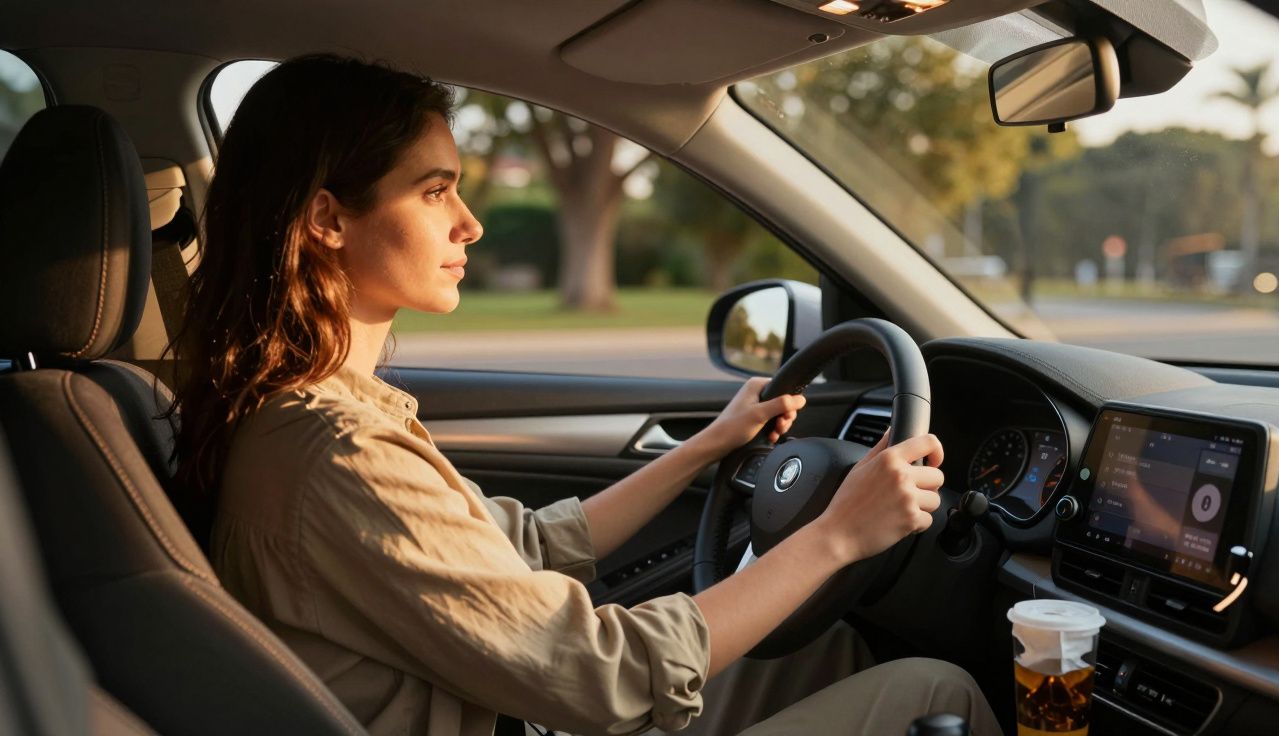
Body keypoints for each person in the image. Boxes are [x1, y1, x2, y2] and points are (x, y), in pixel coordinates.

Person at [169, 54, 1002, 736]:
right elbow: (605, 678)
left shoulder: (318, 416)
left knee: (821, 656)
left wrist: (708, 447)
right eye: (434, 190)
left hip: (512, 712)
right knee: (935, 693)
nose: (470, 223)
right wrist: (836, 537)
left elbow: (523, 544)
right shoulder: (338, 456)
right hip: (537, 715)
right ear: (327, 219)